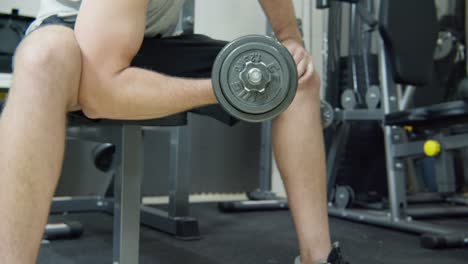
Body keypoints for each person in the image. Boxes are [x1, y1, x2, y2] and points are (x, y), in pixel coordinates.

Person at [0, 0, 348, 263]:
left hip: (153, 40)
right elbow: (100, 96)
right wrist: (226, 87)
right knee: (43, 57)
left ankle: (318, 257)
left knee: (295, 78)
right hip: (74, 39)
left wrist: (289, 38)